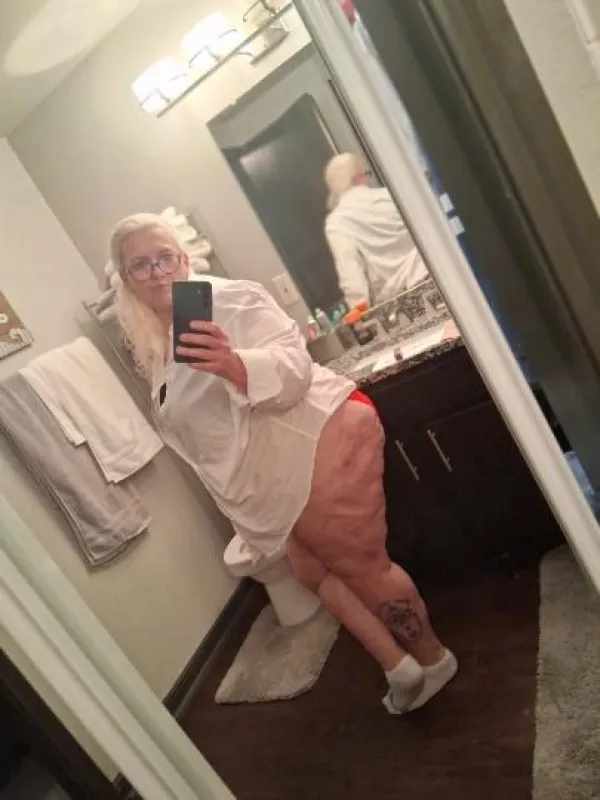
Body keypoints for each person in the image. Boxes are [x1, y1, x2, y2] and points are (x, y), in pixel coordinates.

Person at [110, 213, 457, 713]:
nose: (157, 271)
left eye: (164, 256)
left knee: (363, 567)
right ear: (127, 280)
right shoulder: (162, 341)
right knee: (312, 572)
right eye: (140, 265)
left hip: (318, 439)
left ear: (184, 259)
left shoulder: (232, 299)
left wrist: (233, 363)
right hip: (276, 471)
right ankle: (397, 666)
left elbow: (294, 368)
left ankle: (434, 660)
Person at [324, 153, 429, 309]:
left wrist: (360, 311)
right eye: (367, 174)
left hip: (403, 303)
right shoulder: (391, 196)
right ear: (358, 177)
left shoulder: (337, 222)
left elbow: (352, 277)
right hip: (433, 276)